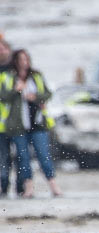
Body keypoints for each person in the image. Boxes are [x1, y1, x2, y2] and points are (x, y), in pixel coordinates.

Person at [0, 49, 60, 198]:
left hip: (38, 123)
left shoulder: (36, 76)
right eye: (20, 60)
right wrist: (16, 90)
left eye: (26, 59)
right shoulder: (8, 77)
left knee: (43, 155)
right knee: (23, 158)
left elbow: (48, 93)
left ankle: (54, 186)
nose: (24, 63)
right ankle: (28, 189)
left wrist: (36, 97)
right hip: (18, 125)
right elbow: (3, 96)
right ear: (15, 61)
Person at [0, 38, 13, 197]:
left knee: (21, 157)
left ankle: (21, 187)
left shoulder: (15, 71)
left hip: (17, 123)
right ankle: (3, 185)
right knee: (2, 156)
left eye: (3, 48)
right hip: (2, 124)